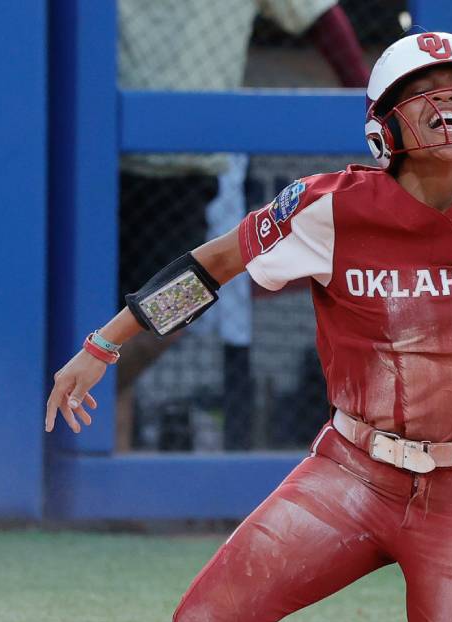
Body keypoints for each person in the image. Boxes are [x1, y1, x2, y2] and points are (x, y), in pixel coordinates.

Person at [45, 31, 452, 622]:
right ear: (385, 124)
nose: (450, 103)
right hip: (352, 471)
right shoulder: (329, 206)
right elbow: (213, 267)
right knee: (208, 619)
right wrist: (104, 344)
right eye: (426, 90)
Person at [116, 0, 370, 451]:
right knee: (92, 315)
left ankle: (90, 380)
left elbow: (320, 15)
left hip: (186, 175)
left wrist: (369, 102)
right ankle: (95, 490)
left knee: (174, 307)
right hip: (97, 162)